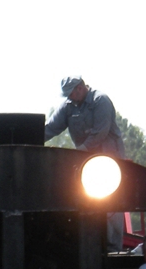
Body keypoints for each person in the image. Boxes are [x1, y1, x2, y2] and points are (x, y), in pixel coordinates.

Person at [45, 76, 126, 250]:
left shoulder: (100, 101)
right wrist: (30, 138)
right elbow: (51, 128)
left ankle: (113, 248)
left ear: (80, 88)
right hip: (86, 163)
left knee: (112, 204)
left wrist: (79, 151)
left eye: (71, 93)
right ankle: (86, 244)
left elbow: (100, 133)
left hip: (110, 161)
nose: (69, 97)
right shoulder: (68, 107)